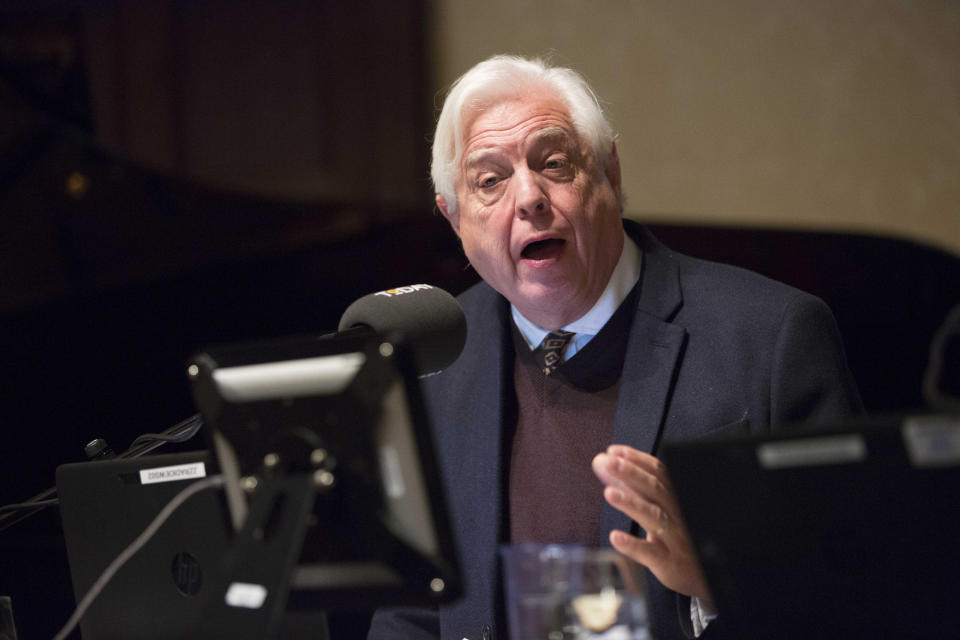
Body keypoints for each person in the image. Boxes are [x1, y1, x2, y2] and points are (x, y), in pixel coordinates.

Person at [368, 54, 861, 640]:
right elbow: (411, 613)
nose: (528, 197)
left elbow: (856, 594)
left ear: (610, 171)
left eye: (553, 163)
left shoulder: (771, 338)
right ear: (454, 220)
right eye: (490, 181)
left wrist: (716, 582)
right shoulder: (433, 355)